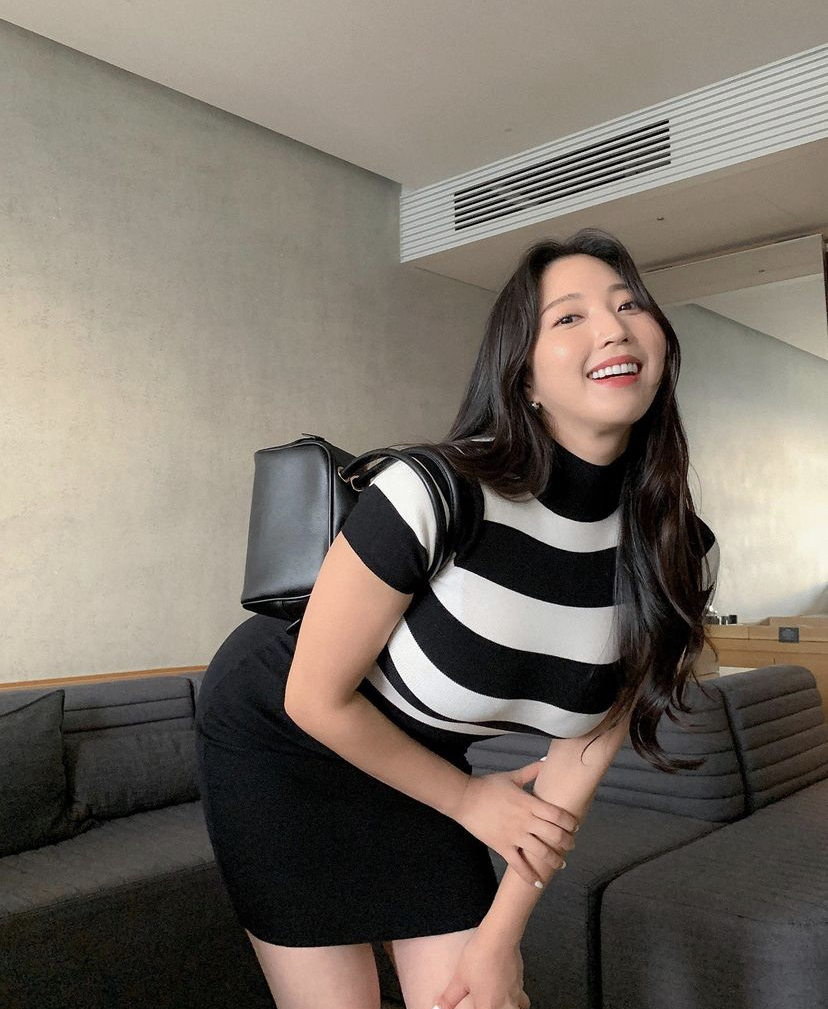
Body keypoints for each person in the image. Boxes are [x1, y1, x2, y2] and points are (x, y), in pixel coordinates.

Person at [194, 226, 720, 1009]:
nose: (613, 328)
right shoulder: (433, 491)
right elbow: (313, 697)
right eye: (569, 316)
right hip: (280, 744)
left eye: (628, 304)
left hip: (423, 767)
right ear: (523, 375)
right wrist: (471, 802)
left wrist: (500, 938)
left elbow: (576, 760)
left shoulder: (672, 552)